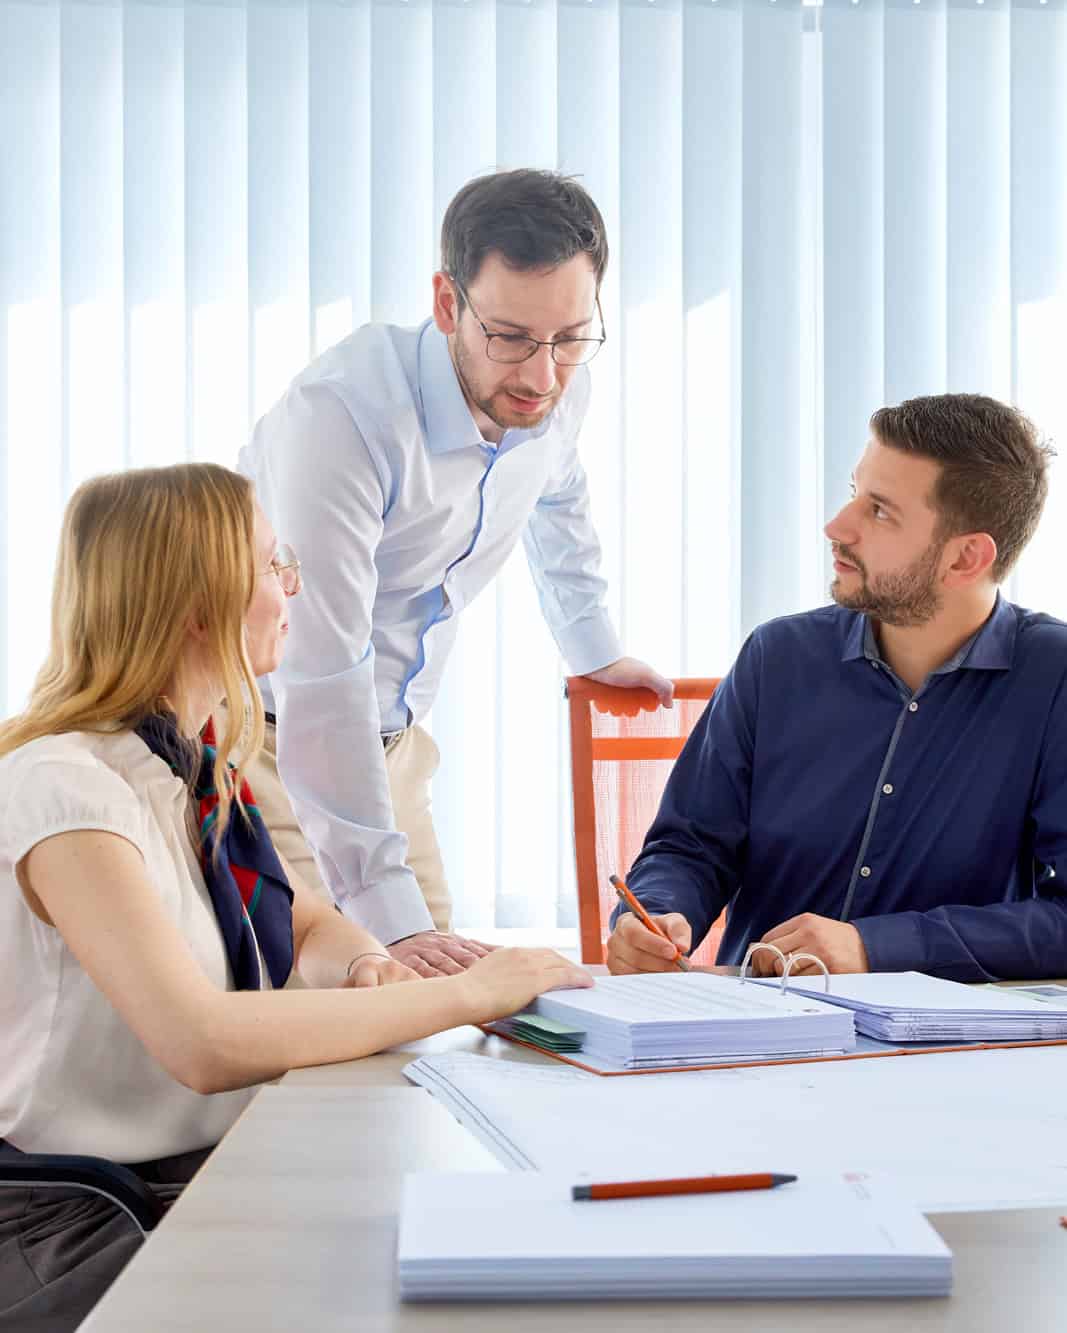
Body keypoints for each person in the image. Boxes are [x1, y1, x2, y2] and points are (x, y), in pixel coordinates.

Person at [0, 463, 589, 1331]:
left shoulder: (196, 770)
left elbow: (293, 915)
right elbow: (199, 1039)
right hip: (70, 1215)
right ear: (198, 604)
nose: (291, 590)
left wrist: (365, 960)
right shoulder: (64, 787)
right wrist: (462, 993)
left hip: (187, 1169)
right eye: (274, 567)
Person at [239, 168, 672, 978]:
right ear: (447, 304)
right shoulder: (342, 417)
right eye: (507, 337)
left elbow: (557, 494)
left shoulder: (547, 382)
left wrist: (589, 644)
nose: (541, 376)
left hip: (393, 750)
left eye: (571, 337)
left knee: (434, 1021)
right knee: (345, 1010)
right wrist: (388, 916)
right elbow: (323, 669)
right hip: (268, 742)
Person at [606, 393, 1067, 984]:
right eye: (855, 491)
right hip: (753, 1029)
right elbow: (690, 847)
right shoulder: (777, 658)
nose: (837, 526)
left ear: (965, 558)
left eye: (879, 511)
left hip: (946, 1053)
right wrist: (656, 913)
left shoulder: (1052, 678)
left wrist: (878, 947)